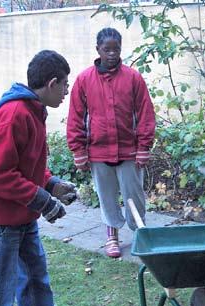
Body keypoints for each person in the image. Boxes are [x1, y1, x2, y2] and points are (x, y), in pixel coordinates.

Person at [0, 50, 77, 306]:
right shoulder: (14, 115)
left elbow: (29, 166)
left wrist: (53, 185)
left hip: (23, 219)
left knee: (35, 280)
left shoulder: (34, 112)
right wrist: (43, 200)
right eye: (64, 84)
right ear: (50, 83)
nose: (66, 91)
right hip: (3, 222)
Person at [67, 27, 156, 258]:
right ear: (98, 49)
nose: (112, 54)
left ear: (120, 49)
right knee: (106, 198)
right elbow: (76, 116)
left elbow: (146, 113)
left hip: (129, 151)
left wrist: (144, 147)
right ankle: (112, 238)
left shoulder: (133, 78)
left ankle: (140, 236)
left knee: (134, 196)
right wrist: (79, 150)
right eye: (107, 49)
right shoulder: (84, 80)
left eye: (116, 49)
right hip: (98, 152)